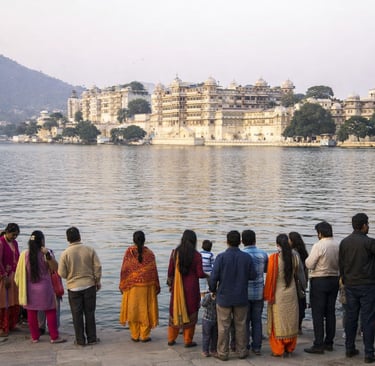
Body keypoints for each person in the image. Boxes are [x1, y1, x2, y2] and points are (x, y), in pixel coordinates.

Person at [209, 230, 255, 361]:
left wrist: (213, 290)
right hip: (241, 297)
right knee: (241, 325)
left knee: (223, 326)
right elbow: (253, 276)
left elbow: (214, 277)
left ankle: (223, 353)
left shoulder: (221, 257)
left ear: (227, 242)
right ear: (240, 242)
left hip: (224, 297)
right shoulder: (246, 257)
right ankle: (242, 351)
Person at [15, 231, 65, 343]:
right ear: (42, 241)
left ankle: (35, 337)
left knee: (32, 313)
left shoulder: (24, 254)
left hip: (29, 288)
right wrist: (48, 254)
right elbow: (55, 268)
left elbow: (19, 273)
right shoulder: (46, 253)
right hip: (45, 288)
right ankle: (54, 337)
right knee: (50, 311)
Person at [339, 213, 375, 363]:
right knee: (368, 319)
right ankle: (368, 353)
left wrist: (345, 280)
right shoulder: (370, 243)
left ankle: (349, 348)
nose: (369, 226)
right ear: (363, 225)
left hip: (350, 285)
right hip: (368, 285)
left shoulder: (345, 242)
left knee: (351, 318)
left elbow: (341, 264)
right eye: (367, 223)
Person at [58, 227, 102, 346]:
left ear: (68, 239)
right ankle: (92, 338)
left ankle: (80, 340)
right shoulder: (89, 250)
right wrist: (97, 280)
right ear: (79, 236)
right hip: (89, 285)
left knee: (76, 315)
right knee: (89, 313)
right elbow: (97, 267)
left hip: (73, 288)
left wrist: (70, 276)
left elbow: (61, 273)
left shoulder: (65, 253)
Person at [167, 229, 207, 347]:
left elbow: (170, 272)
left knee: (174, 311)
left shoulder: (175, 253)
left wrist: (171, 285)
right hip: (192, 289)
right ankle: (187, 340)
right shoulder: (197, 256)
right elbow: (200, 274)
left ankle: (171, 338)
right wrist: (208, 274)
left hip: (177, 288)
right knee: (191, 311)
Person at [304, 221, 339, 354]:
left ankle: (318, 343)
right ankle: (329, 342)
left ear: (320, 233)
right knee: (330, 312)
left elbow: (309, 264)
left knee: (317, 313)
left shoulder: (319, 245)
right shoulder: (337, 244)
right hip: (334, 279)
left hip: (319, 280)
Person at [119, 231, 160, 342]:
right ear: (144, 239)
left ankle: (135, 335)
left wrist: (122, 284)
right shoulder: (150, 254)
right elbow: (154, 272)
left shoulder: (129, 253)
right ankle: (145, 335)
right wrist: (156, 285)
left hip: (132, 287)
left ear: (133, 240)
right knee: (146, 310)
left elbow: (124, 270)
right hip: (147, 288)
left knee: (134, 310)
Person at [263, 234, 300, 357]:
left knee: (278, 322)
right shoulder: (295, 257)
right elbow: (298, 273)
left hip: (278, 294)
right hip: (291, 293)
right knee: (290, 320)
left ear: (278, 245)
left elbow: (269, 277)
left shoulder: (274, 258)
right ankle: (290, 347)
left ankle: (279, 349)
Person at [241, 229, 268, 355]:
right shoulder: (263, 254)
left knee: (245, 321)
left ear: (242, 241)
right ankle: (257, 347)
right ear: (255, 239)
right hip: (259, 293)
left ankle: (245, 345)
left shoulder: (241, 255)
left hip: (244, 293)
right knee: (257, 320)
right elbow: (266, 270)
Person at [0, 223, 20, 338]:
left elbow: (17, 258)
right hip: (4, 277)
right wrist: (4, 276)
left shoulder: (14, 243)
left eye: (16, 235)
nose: (14, 237)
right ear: (7, 232)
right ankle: (3, 326)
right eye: (13, 234)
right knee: (3, 302)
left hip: (13, 275)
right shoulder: (1, 243)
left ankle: (12, 324)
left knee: (13, 300)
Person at [37, 249, 62, 335]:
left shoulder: (44, 253)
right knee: (54, 307)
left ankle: (42, 327)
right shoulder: (48, 252)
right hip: (50, 285)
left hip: (45, 285)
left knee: (42, 307)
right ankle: (51, 327)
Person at [288, 231, 309, 334]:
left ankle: (294, 326)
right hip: (302, 283)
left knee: (293, 305)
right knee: (301, 304)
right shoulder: (304, 253)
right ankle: (299, 326)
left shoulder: (292, 253)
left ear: (292, 241)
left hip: (294, 282)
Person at [200, 292, 218, 357]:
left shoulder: (208, 296)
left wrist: (202, 296)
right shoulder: (217, 295)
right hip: (212, 319)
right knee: (212, 336)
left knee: (209, 336)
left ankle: (207, 351)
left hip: (207, 319)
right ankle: (211, 350)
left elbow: (202, 304)